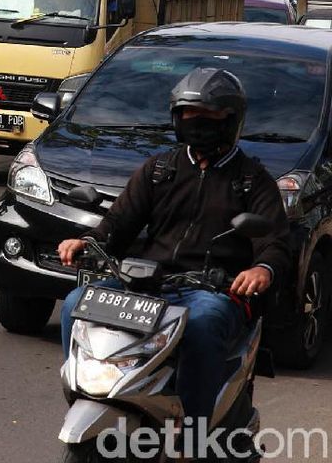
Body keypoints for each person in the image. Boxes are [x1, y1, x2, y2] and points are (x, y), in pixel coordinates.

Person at [57, 67, 290, 425]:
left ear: (230, 120)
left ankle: (193, 432)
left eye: (208, 116)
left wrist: (261, 269)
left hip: (210, 291)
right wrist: (87, 242)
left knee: (202, 324)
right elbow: (117, 224)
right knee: (76, 304)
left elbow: (274, 243)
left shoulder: (252, 181)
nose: (196, 123)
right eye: (188, 114)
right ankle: (84, 396)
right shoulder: (159, 169)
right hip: (147, 285)